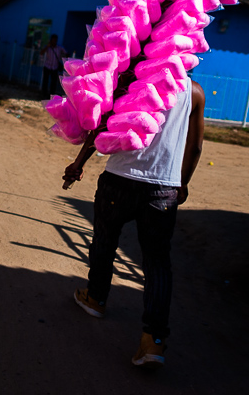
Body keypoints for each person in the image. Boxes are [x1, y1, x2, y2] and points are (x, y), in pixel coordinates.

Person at [62, 75, 205, 368]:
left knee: (105, 240)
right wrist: (182, 183)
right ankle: (153, 340)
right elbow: (196, 146)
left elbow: (101, 126)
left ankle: (96, 298)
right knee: (157, 262)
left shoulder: (132, 76)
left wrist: (79, 163)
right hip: (163, 187)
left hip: (119, 180)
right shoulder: (195, 92)